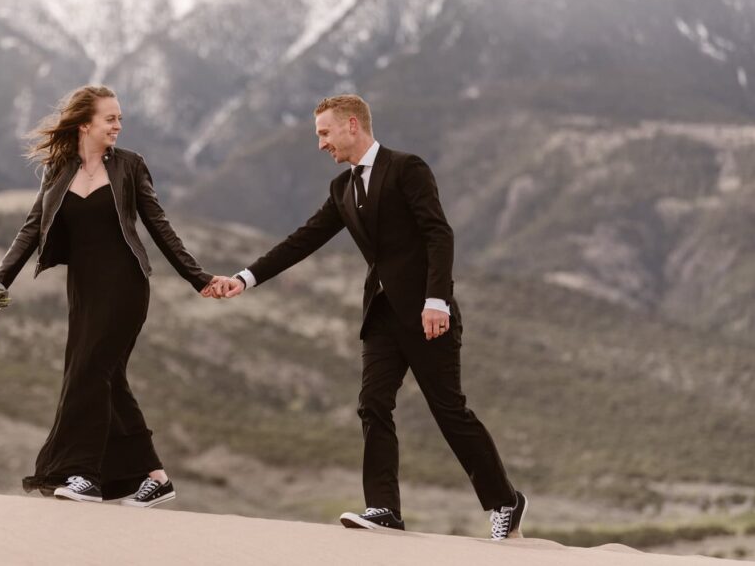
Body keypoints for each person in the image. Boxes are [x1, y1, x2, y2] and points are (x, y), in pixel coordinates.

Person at [208, 94, 527, 539]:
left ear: (352, 125)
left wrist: (437, 301)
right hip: (381, 317)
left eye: (324, 133)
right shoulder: (342, 189)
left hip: (425, 314)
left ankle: (505, 502)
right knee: (373, 403)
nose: (320, 145)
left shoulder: (406, 169)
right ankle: (383, 509)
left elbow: (439, 233)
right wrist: (244, 279)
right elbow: (302, 240)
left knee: (448, 411)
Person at [0, 84, 233, 508]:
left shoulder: (130, 167)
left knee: (88, 374)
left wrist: (198, 277)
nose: (119, 124)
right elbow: (31, 229)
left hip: (125, 286)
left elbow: (159, 226)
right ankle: (155, 478)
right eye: (110, 118)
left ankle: (84, 475)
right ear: (85, 124)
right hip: (83, 290)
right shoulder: (59, 168)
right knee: (107, 378)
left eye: (119, 117)